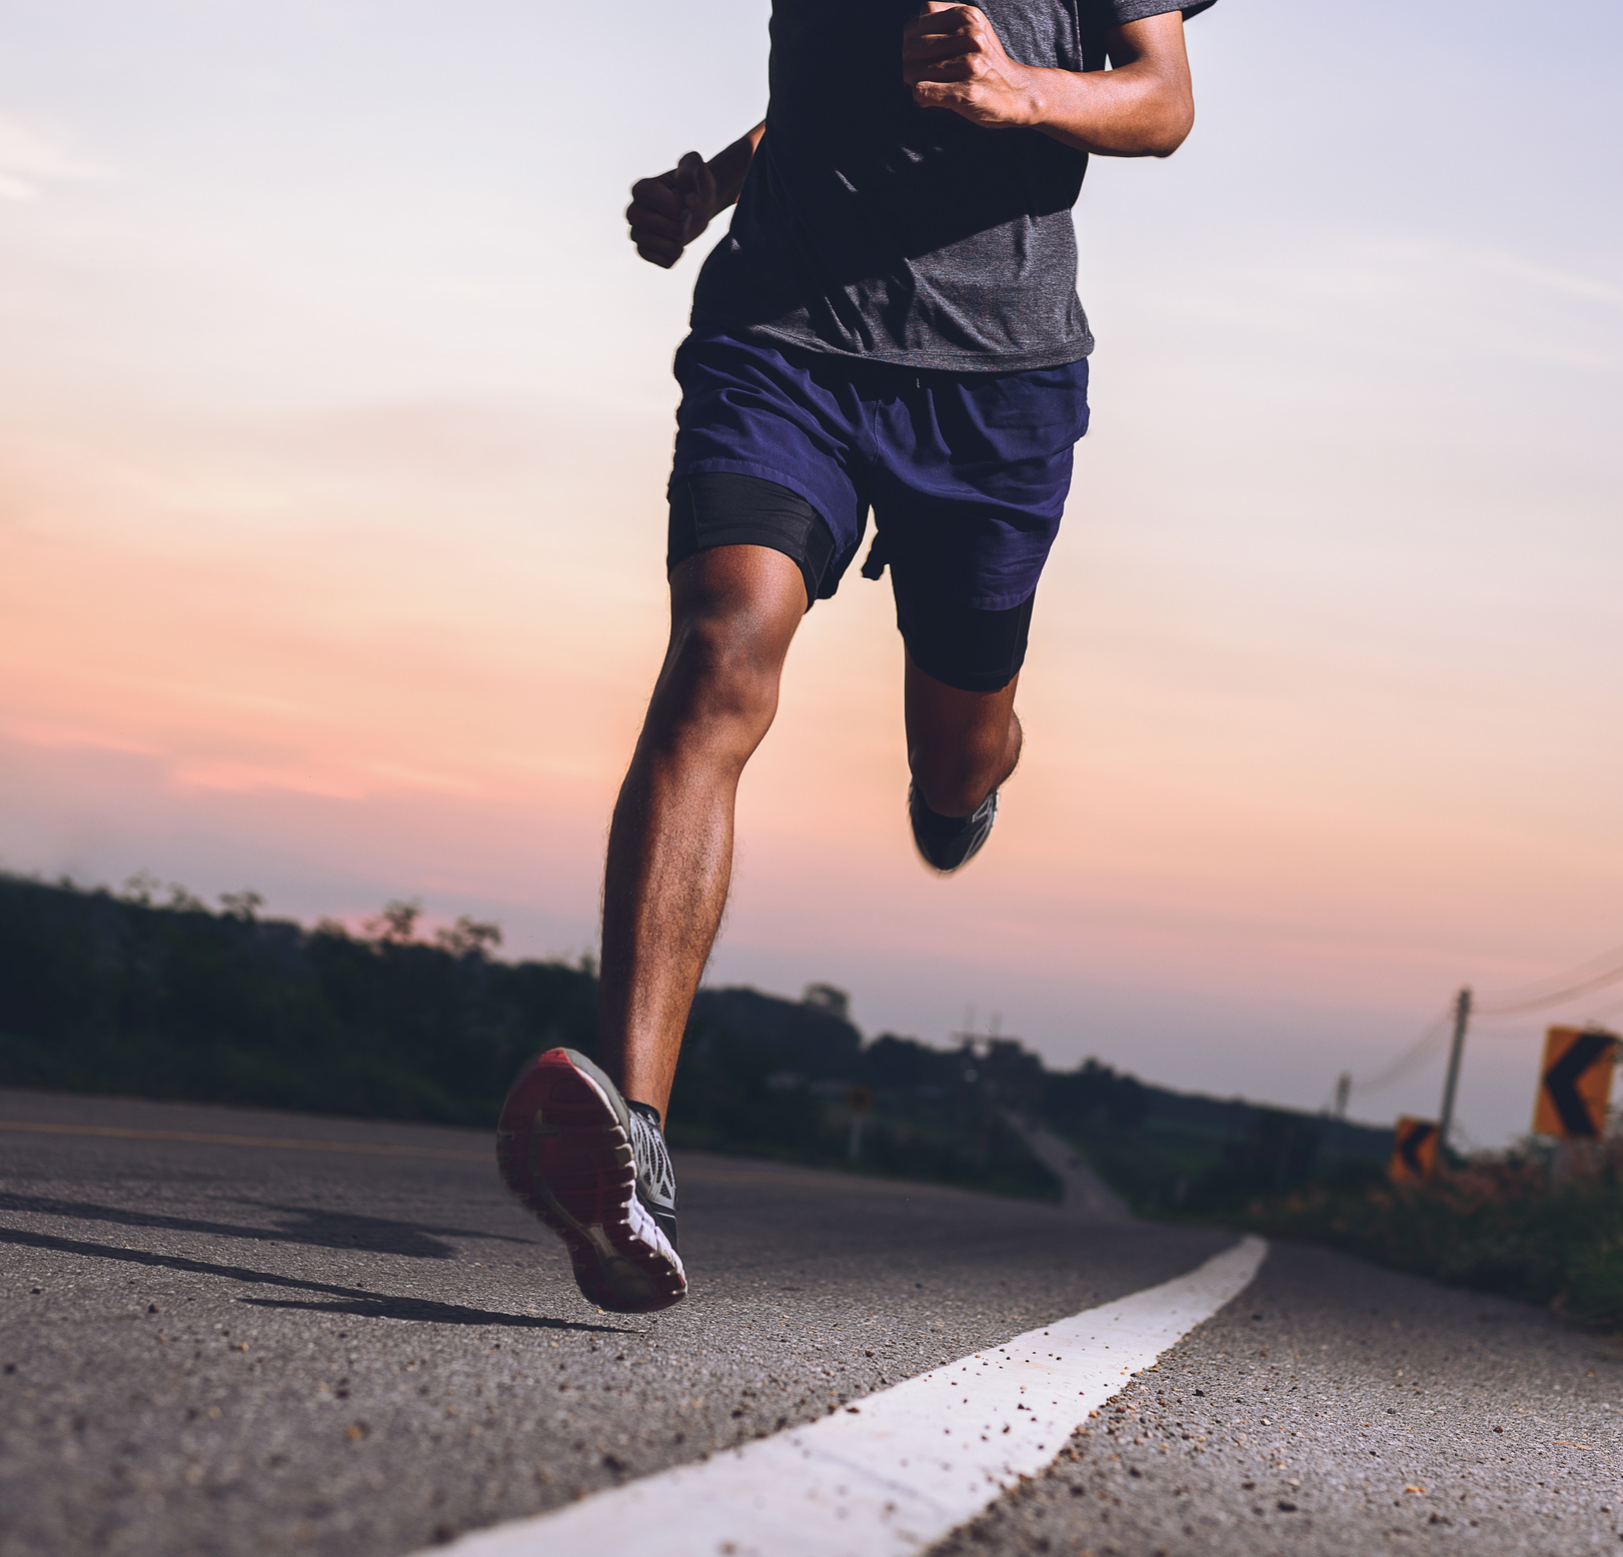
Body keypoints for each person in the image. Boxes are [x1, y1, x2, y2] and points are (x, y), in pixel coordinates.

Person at [497, 0, 1208, 1313]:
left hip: (996, 393)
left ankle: (968, 779)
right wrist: (718, 180)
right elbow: (836, 98)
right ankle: (632, 1147)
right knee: (719, 658)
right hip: (784, 347)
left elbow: (1161, 98)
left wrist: (1020, 92)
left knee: (953, 760)